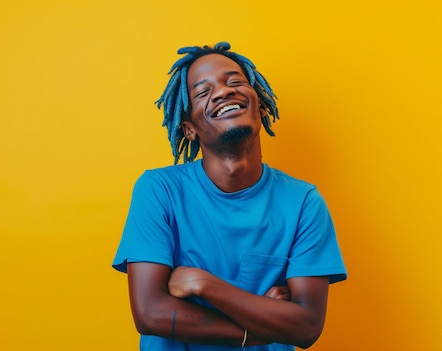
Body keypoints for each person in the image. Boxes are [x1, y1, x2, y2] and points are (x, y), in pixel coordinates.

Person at [112, 42, 347, 351]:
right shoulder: (159, 190)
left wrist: (204, 285)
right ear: (189, 129)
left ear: (260, 106)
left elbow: (306, 326)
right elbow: (151, 314)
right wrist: (261, 330)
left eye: (235, 81)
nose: (223, 92)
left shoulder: (303, 202)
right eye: (202, 92)